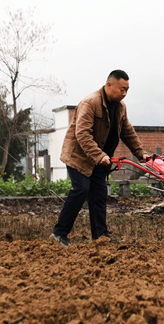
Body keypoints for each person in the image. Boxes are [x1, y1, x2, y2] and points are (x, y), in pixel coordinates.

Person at [50, 70, 148, 247]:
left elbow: (127, 131)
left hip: (100, 159)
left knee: (99, 195)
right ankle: (59, 234)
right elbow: (82, 134)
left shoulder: (120, 107)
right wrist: (99, 155)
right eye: (122, 89)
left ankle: (100, 237)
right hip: (79, 157)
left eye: (127, 90)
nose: (124, 93)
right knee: (81, 190)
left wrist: (141, 153)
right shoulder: (90, 103)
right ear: (109, 85)